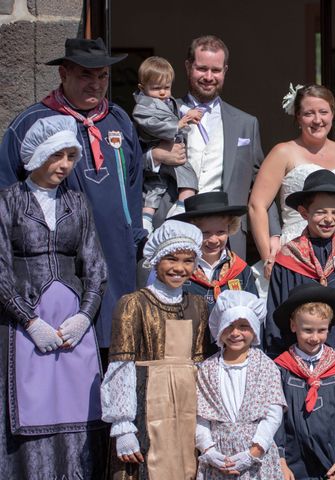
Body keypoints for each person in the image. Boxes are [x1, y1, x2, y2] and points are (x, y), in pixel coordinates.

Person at [0, 37, 145, 354]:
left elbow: (134, 184)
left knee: (115, 354)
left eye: (102, 76)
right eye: (85, 75)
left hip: (117, 258)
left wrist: (134, 235)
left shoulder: (119, 119)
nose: (96, 84)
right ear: (63, 74)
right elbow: (6, 190)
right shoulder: (31, 123)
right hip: (59, 266)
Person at [0, 116, 108, 478]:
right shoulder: (8, 202)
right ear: (36, 156)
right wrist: (29, 320)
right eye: (56, 156)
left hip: (71, 325)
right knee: (30, 407)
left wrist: (84, 316)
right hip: (24, 324)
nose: (65, 165)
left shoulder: (77, 203)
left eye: (71, 156)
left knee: (79, 408)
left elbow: (95, 267)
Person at [248, 83, 335, 323]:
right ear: (298, 117)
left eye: (323, 112)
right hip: (297, 247)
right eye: (308, 113)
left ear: (333, 114)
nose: (317, 119)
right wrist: (268, 255)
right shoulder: (283, 152)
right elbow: (257, 205)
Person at [148, 35, 280, 258]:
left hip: (224, 238)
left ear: (225, 70)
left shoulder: (246, 124)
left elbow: (259, 182)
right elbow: (131, 164)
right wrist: (156, 156)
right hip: (171, 229)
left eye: (216, 70)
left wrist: (274, 232)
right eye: (202, 69)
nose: (209, 77)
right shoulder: (162, 112)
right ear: (189, 66)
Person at [101, 220, 210, 480]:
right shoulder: (133, 304)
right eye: (171, 259)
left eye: (187, 261)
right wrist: (123, 425)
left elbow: (198, 364)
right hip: (145, 401)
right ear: (156, 259)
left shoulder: (197, 305)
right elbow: (121, 365)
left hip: (185, 405)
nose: (179, 268)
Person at [265, 169, 335, 392]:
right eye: (320, 212)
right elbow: (275, 315)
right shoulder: (288, 258)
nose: (329, 219)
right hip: (296, 366)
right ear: (304, 213)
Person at [196, 290, 286, 479]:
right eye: (229, 326)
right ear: (219, 329)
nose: (235, 333)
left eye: (243, 326)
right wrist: (209, 450)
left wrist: (254, 452)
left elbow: (273, 414)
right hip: (219, 456)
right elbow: (200, 417)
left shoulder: (266, 367)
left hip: (255, 455)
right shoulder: (207, 369)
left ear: (254, 330)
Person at [272, 284, 335, 480]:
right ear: (293, 326)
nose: (314, 337)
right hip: (293, 461)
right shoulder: (282, 368)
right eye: (307, 330)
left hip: (331, 459)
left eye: (321, 330)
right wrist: (281, 460)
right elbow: (275, 415)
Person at [132, 56, 202, 233]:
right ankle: (181, 206)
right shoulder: (143, 108)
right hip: (158, 146)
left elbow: (176, 106)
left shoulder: (167, 101)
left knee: (156, 186)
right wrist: (176, 126)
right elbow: (151, 124)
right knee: (188, 177)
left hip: (170, 148)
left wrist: (190, 112)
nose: (163, 93)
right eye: (156, 88)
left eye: (167, 88)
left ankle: (146, 217)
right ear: (142, 88)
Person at [170, 192, 257, 313]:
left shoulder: (241, 271)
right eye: (205, 233)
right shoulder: (177, 270)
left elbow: (252, 315)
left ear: (230, 229)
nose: (213, 240)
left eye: (221, 232)